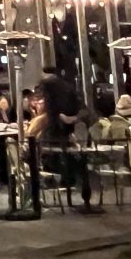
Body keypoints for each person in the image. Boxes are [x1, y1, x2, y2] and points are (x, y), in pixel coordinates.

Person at [39, 75, 95, 211]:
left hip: (59, 139)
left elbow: (86, 113)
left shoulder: (60, 99)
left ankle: (69, 184)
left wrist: (71, 119)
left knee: (73, 160)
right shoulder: (66, 95)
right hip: (61, 138)